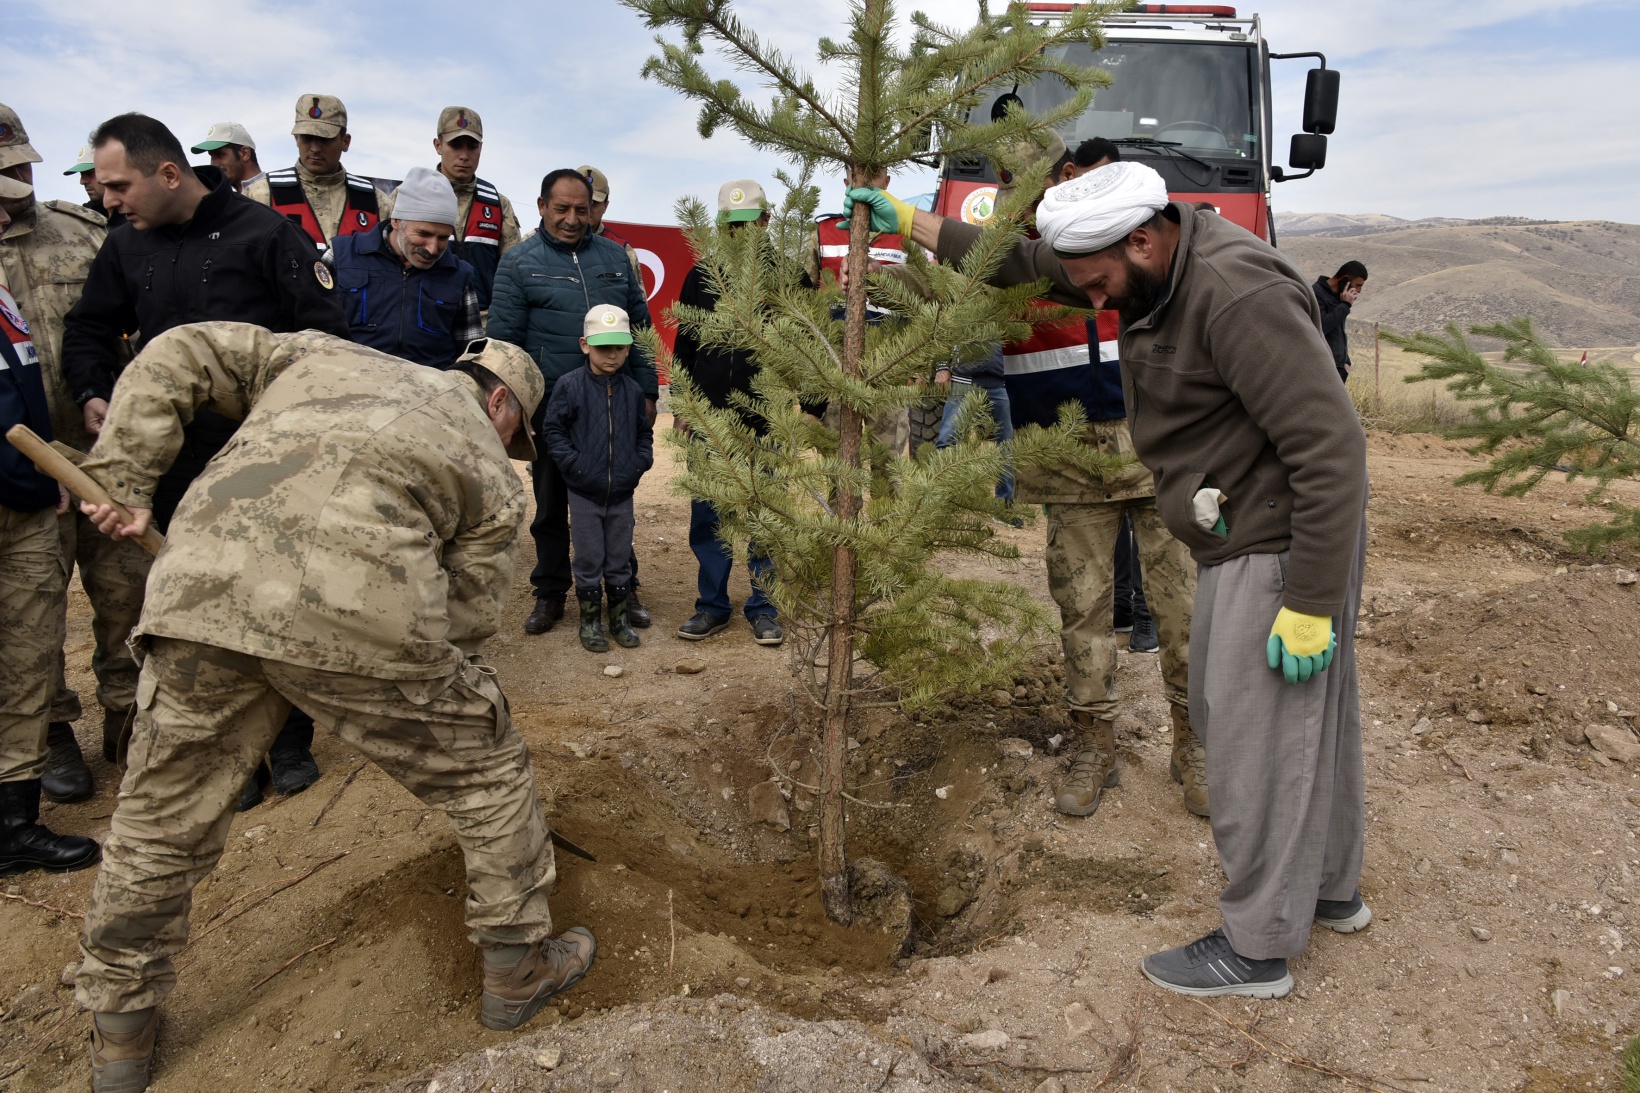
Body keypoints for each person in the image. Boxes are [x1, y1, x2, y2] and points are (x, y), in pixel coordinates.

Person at [851, 160, 1370, 996]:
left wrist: (1308, 602)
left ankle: (1258, 944)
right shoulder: (1131, 257)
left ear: (1143, 237)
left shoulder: (1235, 294)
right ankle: (1331, 890)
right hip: (1247, 520)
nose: (1093, 304)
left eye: (1099, 286)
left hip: (1280, 530)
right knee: (1315, 718)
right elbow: (1021, 263)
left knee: (1247, 730)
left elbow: (1331, 448)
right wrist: (906, 220)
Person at [71, 325, 594, 1093]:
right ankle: (516, 969)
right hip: (361, 617)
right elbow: (467, 622)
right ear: (502, 403)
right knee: (489, 771)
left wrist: (121, 473)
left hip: (199, 593)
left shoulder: (320, 352)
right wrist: (410, 691)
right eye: (517, 435)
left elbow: (181, 349)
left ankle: (120, 1030)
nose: (512, 447)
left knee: (157, 822)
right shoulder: (491, 466)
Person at [61, 112, 350, 802]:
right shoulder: (125, 247)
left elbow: (327, 339)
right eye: (104, 189)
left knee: (282, 598)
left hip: (268, 464)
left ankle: (290, 737)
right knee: (202, 609)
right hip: (177, 472)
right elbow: (89, 328)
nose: (108, 200)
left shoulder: (267, 234)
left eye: (117, 184)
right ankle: (235, 752)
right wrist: (95, 392)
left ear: (168, 173)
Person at [968, 132, 1203, 818]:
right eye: (1013, 177)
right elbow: (975, 268)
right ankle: (1092, 743)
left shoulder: (1129, 233)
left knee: (1185, 610)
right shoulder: (1014, 249)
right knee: (1085, 613)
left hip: (1157, 451)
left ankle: (1195, 743)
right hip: (1066, 462)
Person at [1, 106, 145, 805]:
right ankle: (53, 728)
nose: (18, 179)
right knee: (36, 609)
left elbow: (119, 325)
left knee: (124, 588)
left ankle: (129, 712)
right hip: (20, 471)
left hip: (96, 451)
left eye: (22, 163)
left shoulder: (83, 233)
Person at [487, 168, 659, 636]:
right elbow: (502, 342)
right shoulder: (519, 262)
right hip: (549, 404)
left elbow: (640, 329)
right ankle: (550, 592)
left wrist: (646, 391)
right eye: (561, 208)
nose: (571, 218)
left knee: (614, 497)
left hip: (612, 401)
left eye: (581, 209)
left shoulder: (616, 258)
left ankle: (624, 587)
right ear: (541, 206)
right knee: (550, 503)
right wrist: (512, 405)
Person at [0, 179, 102, 879]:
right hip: (20, 488)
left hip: (37, 489)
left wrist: (40, 482)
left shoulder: (62, 241)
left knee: (28, 656)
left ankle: (14, 824)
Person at [672, 180, 784, 646]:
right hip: (710, 421)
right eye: (730, 226)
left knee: (766, 516)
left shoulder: (785, 278)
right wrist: (682, 403)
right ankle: (713, 605)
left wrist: (813, 410)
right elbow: (685, 344)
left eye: (748, 224)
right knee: (708, 516)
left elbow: (808, 343)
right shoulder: (702, 276)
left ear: (765, 221)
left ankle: (764, 605)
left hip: (766, 419)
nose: (740, 234)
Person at [544, 305, 654, 652]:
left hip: (621, 490)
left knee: (619, 556)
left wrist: (639, 463)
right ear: (584, 345)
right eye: (603, 347)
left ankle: (619, 620)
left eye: (619, 347)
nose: (612, 355)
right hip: (584, 491)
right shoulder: (569, 386)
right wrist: (576, 468)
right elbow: (554, 431)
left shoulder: (633, 390)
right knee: (589, 557)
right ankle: (590, 621)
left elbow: (642, 433)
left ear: (627, 348)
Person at [327, 166, 480, 368]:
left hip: (430, 394)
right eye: (423, 234)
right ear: (397, 220)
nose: (433, 249)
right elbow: (307, 331)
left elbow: (471, 355)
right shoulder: (341, 256)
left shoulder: (459, 276)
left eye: (443, 237)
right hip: (350, 387)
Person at [378, 107, 521, 311]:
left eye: (472, 146)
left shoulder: (497, 204)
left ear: (481, 148)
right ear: (438, 145)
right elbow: (386, 259)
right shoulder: (406, 196)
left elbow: (512, 272)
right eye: (455, 145)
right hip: (421, 314)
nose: (464, 155)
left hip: (481, 321)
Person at [244, 94, 380, 248]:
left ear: (345, 142)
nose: (315, 148)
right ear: (296, 138)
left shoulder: (377, 202)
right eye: (307, 138)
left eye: (325, 139)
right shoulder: (259, 195)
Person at [931, 343, 1015, 513]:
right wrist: (942, 367)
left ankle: (1004, 507)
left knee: (1006, 446)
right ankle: (943, 502)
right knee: (948, 441)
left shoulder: (1011, 314)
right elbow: (944, 333)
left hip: (1002, 383)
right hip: (963, 380)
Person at [576, 165, 643, 281]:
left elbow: (637, 298)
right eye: (581, 201)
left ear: (605, 206)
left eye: (593, 203)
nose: (586, 208)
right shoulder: (536, 242)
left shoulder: (623, 251)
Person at [1314, 260, 1367, 383]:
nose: (1359, 291)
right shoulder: (1316, 294)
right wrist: (1345, 305)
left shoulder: (1339, 297)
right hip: (1323, 366)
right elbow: (1322, 326)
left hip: (1338, 367)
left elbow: (1338, 332)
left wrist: (1346, 362)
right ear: (1345, 279)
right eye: (1358, 285)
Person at [189, 121, 264, 193]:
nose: (213, 164)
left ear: (244, 153)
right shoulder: (225, 201)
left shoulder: (274, 194)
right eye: (211, 156)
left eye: (219, 154)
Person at [63, 144, 125, 228]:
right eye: (81, 174)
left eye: (90, 173)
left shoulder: (138, 216)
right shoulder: (84, 216)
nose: (82, 181)